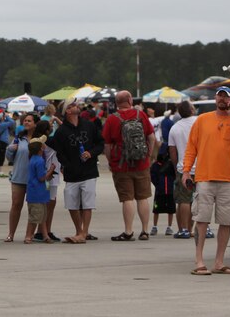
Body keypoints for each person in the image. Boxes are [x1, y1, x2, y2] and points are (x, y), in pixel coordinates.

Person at [182, 87, 230, 275]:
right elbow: (191, 148)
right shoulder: (202, 120)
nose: (222, 99)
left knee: (226, 221)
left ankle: (219, 262)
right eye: (220, 95)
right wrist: (186, 171)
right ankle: (199, 261)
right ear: (215, 98)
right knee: (202, 219)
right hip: (205, 177)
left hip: (229, 179)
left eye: (226, 96)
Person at [101, 90, 156, 241]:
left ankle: (128, 230)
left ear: (117, 102)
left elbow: (106, 145)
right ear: (130, 100)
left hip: (121, 164)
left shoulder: (112, 119)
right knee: (143, 197)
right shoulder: (141, 115)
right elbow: (151, 137)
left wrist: (111, 161)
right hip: (141, 163)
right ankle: (145, 230)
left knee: (127, 199)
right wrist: (148, 156)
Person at [47, 99, 104, 244]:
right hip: (72, 173)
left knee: (88, 203)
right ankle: (79, 231)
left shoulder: (89, 125)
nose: (76, 107)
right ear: (67, 111)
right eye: (72, 106)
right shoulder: (61, 131)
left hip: (89, 171)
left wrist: (91, 153)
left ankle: (84, 233)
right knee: (71, 203)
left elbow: (100, 143)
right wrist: (66, 166)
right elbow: (59, 152)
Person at [168, 100, 198, 239]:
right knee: (197, 200)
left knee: (183, 200)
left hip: (183, 168)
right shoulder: (199, 122)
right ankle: (192, 228)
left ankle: (183, 229)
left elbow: (172, 152)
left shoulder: (175, 128)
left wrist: (176, 168)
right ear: (192, 110)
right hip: (201, 167)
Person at [3, 116, 33, 243]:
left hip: (34, 178)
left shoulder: (41, 139)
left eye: (29, 121)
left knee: (34, 207)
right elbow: (10, 158)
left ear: (35, 124)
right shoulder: (19, 138)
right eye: (25, 120)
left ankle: (29, 235)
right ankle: (11, 234)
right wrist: (10, 149)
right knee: (16, 205)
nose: (26, 122)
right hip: (18, 177)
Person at [24, 136, 52, 243]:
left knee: (42, 216)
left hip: (38, 194)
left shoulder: (33, 159)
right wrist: (51, 170)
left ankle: (45, 235)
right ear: (41, 148)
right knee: (35, 217)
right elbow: (41, 178)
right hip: (37, 194)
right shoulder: (39, 161)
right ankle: (28, 235)